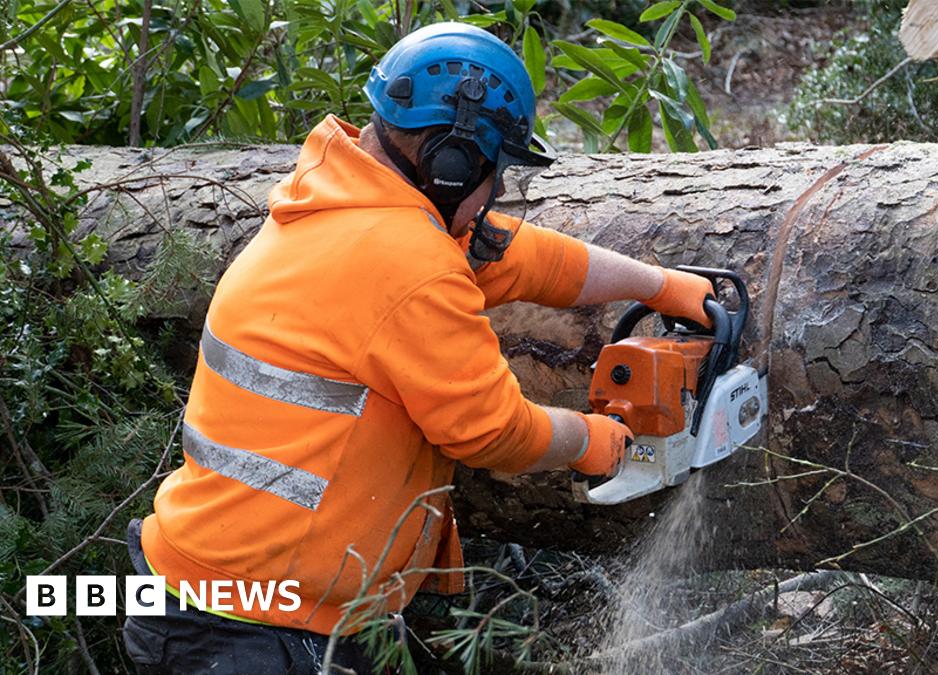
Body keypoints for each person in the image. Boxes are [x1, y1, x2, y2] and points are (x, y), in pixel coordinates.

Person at [122, 21, 714, 673]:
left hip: (214, 594)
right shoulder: (405, 259)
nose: (496, 196)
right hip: (251, 631)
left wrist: (661, 284)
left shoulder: (344, 203)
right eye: (494, 174)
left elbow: (517, 254)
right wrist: (601, 442)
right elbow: (489, 430)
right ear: (454, 162)